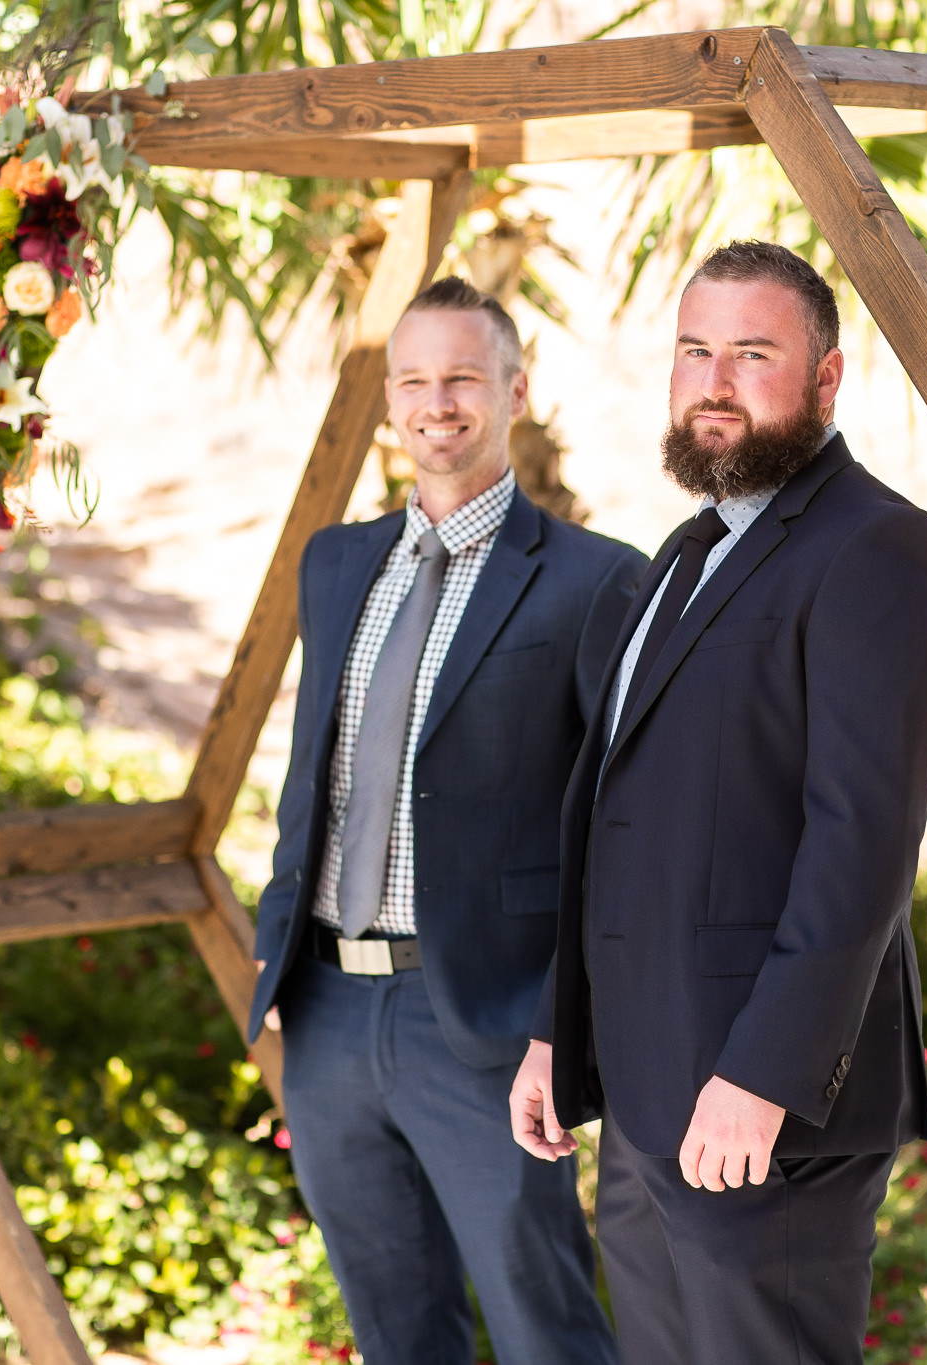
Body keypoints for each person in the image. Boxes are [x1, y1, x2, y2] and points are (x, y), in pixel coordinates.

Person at [509, 240, 927, 1362]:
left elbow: (859, 849)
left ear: (824, 379)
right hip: (645, 1093)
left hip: (760, 1111)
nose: (713, 382)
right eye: (694, 351)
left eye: (751, 353)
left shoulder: (881, 551)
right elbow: (618, 825)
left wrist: (761, 1075)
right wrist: (552, 1034)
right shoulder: (681, 553)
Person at [248, 276, 643, 1365]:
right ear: (388, 402)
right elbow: (312, 770)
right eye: (414, 380)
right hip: (325, 1012)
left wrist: (564, 1027)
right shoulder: (335, 563)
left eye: (463, 377)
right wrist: (270, 963)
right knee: (393, 1331)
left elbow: (615, 828)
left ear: (515, 392)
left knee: (542, 1326)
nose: (437, 402)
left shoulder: (594, 580)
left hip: (485, 1026)